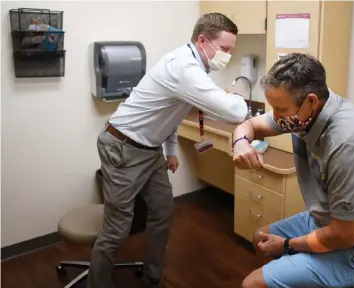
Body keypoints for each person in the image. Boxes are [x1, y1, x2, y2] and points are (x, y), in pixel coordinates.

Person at [88, 13, 248, 288]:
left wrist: (171, 150)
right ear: (202, 41)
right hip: (123, 147)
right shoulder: (183, 67)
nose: (228, 56)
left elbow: (173, 111)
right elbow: (236, 112)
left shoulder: (195, 67)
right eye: (224, 49)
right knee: (117, 229)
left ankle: (153, 275)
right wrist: (236, 96)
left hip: (149, 150)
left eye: (231, 50)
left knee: (163, 211)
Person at [232, 53, 354, 288]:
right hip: (330, 219)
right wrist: (241, 143)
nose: (275, 117)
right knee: (260, 237)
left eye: (280, 109)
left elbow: (345, 235)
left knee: (252, 283)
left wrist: (287, 244)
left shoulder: (348, 142)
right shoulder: (305, 113)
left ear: (312, 102)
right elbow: (250, 125)